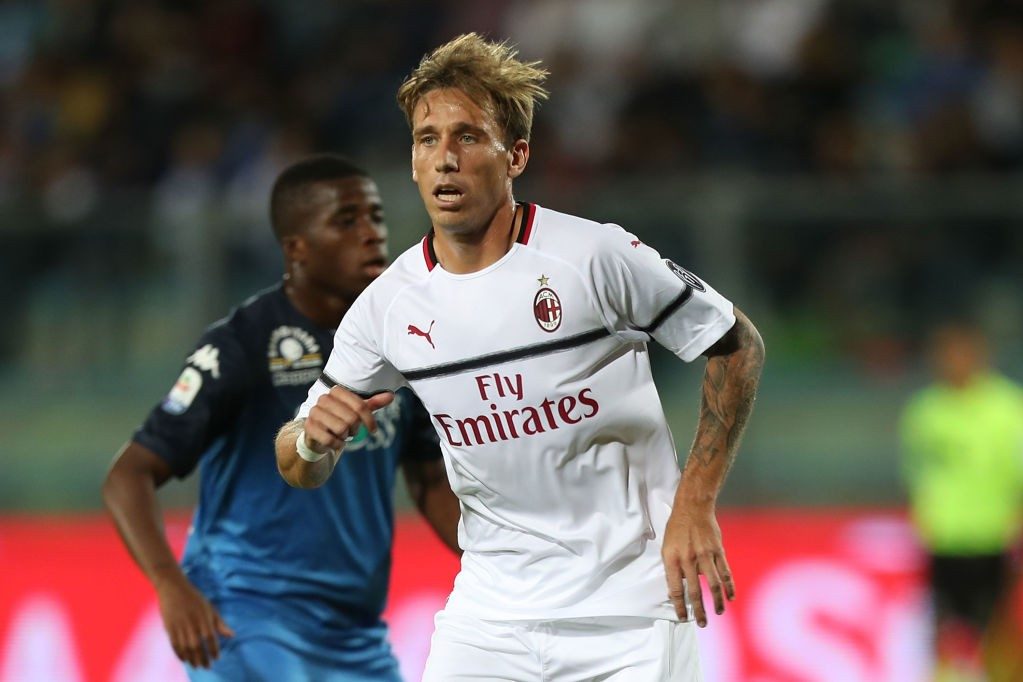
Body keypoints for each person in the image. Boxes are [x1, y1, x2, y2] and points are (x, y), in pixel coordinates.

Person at [276, 34, 764, 680]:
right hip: (489, 620)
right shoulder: (387, 307)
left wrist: (695, 504)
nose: (445, 159)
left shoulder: (593, 257)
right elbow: (295, 459)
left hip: (630, 617)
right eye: (427, 140)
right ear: (413, 161)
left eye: (468, 137)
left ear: (517, 156)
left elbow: (736, 343)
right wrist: (312, 441)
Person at [103, 154, 461, 681]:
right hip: (246, 614)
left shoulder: (401, 343)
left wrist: (495, 559)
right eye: (346, 221)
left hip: (354, 631)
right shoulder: (243, 344)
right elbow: (129, 474)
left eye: (375, 216)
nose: (371, 233)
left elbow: (429, 479)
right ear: (297, 249)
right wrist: (170, 584)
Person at [900, 321, 1023, 679]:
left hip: (995, 536)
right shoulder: (925, 411)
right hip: (944, 538)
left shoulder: (1009, 408)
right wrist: (925, 518)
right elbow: (916, 472)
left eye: (960, 353)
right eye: (946, 354)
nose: (953, 361)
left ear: (980, 355)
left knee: (999, 631)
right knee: (941, 629)